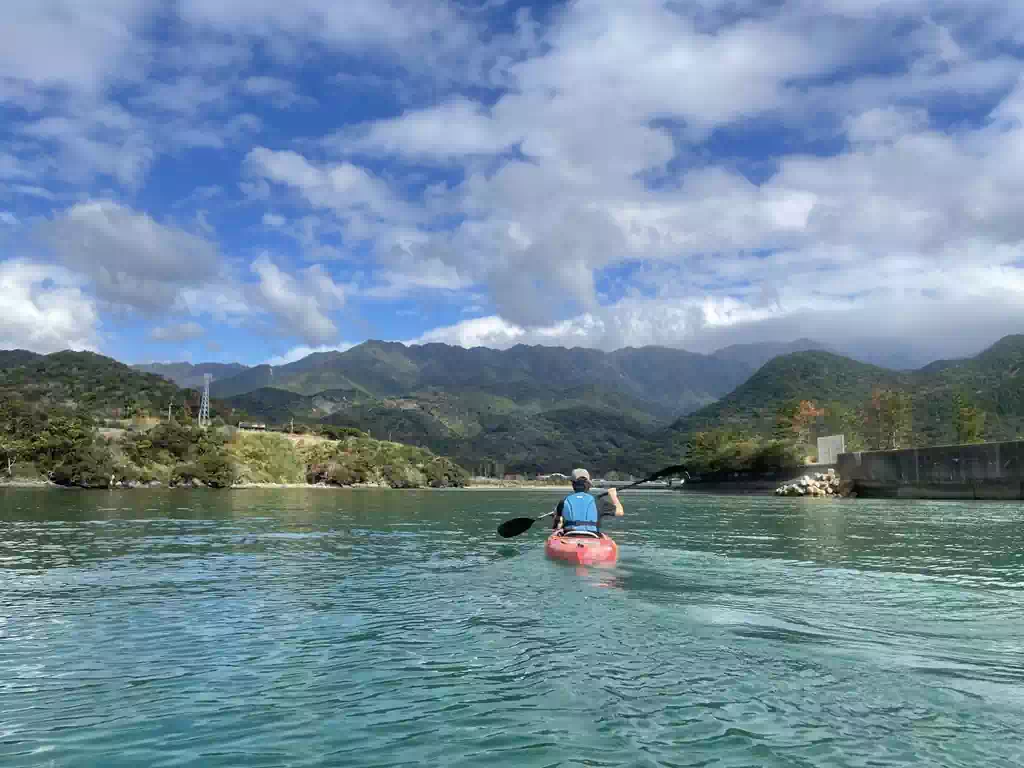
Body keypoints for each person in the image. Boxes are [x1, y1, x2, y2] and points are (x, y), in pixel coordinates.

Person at [552, 468, 623, 536]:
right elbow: (620, 512)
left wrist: (558, 517)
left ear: (573, 484)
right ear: (588, 485)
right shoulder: (597, 501)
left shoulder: (563, 501)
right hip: (592, 537)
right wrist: (613, 496)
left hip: (569, 537)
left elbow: (556, 526)